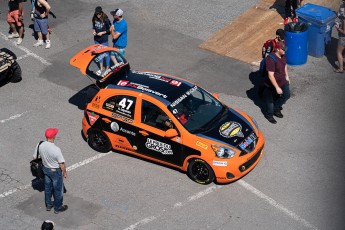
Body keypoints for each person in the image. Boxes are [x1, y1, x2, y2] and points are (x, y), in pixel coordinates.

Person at [33, 128, 68, 214]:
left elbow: (35, 157)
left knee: (47, 188)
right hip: (55, 171)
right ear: (54, 137)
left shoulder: (40, 144)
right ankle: (58, 207)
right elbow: (61, 164)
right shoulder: (56, 149)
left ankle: (48, 205)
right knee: (58, 189)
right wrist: (64, 172)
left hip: (45, 169)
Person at [263, 41, 291, 124]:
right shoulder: (270, 59)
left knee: (286, 95)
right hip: (270, 85)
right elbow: (270, 75)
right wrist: (277, 87)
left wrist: (287, 76)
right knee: (270, 103)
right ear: (278, 49)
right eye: (283, 49)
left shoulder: (283, 55)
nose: (285, 51)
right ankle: (269, 115)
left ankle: (276, 108)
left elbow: (285, 65)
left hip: (282, 80)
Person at [92, 6, 112, 76]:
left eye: (99, 14)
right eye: (96, 14)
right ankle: (101, 68)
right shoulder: (94, 17)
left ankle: (107, 68)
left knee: (106, 54)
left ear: (101, 13)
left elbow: (109, 30)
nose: (98, 15)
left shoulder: (105, 19)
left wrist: (102, 33)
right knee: (99, 54)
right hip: (97, 39)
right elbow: (94, 26)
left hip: (103, 39)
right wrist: (94, 31)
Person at [335, 0, 345, 73]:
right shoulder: (342, 6)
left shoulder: (344, 20)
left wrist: (338, 29)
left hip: (343, 37)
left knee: (339, 52)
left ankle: (341, 68)